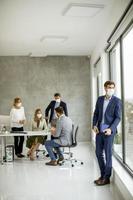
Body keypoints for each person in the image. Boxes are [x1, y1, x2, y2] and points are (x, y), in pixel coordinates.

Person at [92, 81, 122, 186]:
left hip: (109, 131)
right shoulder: (100, 99)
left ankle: (106, 178)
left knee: (108, 154)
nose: (111, 89)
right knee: (98, 153)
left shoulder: (117, 101)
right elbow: (96, 113)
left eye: (113, 87)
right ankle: (103, 174)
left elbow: (118, 117)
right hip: (99, 130)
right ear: (105, 88)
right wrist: (94, 125)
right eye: (109, 87)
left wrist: (111, 129)